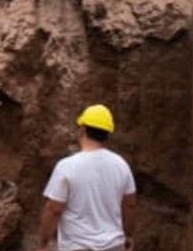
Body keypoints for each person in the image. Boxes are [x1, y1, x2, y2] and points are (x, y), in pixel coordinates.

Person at [38, 104, 135, 251]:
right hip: (114, 246)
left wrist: (43, 243)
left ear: (82, 130)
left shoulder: (66, 166)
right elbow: (130, 205)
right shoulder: (121, 165)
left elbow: (54, 210)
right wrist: (128, 236)